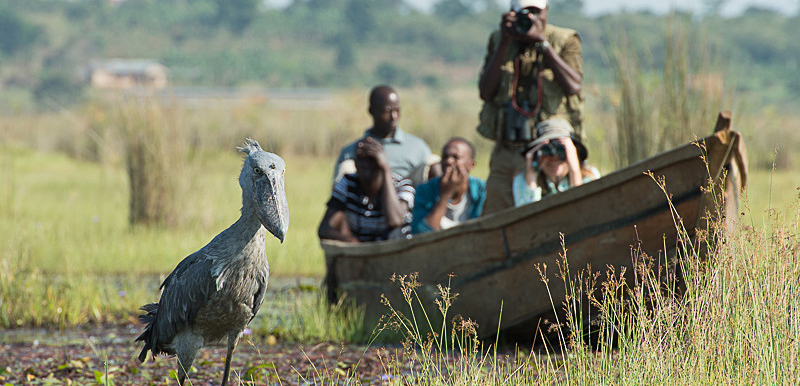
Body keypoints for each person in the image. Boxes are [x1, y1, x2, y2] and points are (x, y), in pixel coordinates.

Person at [477, 0, 584, 215]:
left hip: (547, 153)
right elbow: (485, 92)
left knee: (547, 216)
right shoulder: (500, 39)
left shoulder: (564, 40)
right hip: (507, 148)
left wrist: (542, 44)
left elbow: (574, 85)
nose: (531, 18)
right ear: (512, 14)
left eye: (536, 12)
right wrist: (505, 43)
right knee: (497, 215)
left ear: (546, 11)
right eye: (525, 13)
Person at [333, 85, 441, 187]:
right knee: (347, 167)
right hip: (365, 204)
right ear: (371, 111)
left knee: (433, 162)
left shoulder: (418, 147)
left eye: (397, 110)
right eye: (387, 111)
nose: (394, 117)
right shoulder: (353, 151)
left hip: (407, 202)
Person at [318, 137, 415, 243]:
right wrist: (351, 241)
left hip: (397, 250)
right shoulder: (348, 182)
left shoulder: (402, 185)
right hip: (362, 251)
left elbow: (394, 221)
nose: (366, 164)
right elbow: (324, 229)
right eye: (361, 159)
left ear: (382, 162)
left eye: (372, 159)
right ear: (355, 163)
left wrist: (386, 170)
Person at [513, 119, 599, 206]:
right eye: (546, 151)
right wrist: (531, 180)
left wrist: (575, 171)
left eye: (561, 150)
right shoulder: (522, 180)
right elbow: (528, 217)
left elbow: (585, 212)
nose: (554, 158)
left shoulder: (589, 176)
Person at [411, 138, 486, 234]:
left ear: (471, 165)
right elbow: (420, 234)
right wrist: (445, 195)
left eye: (456, 157)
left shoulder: (482, 190)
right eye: (445, 157)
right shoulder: (425, 190)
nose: (449, 161)